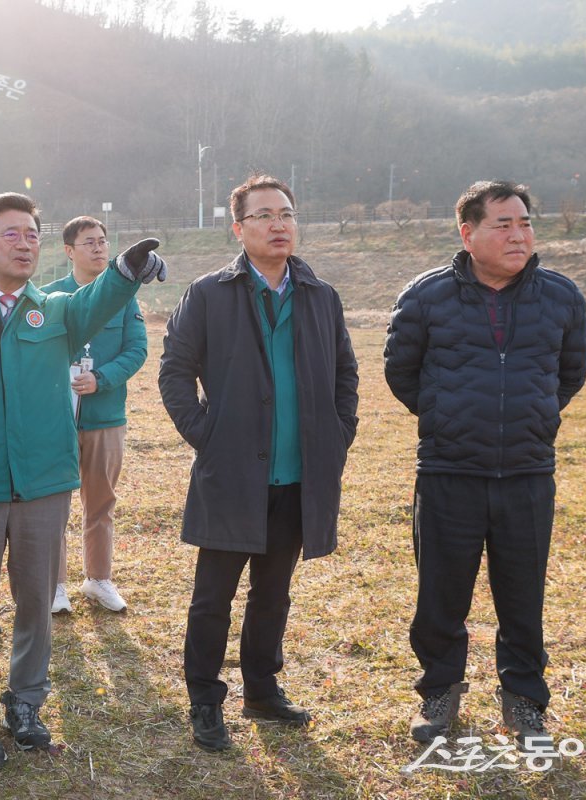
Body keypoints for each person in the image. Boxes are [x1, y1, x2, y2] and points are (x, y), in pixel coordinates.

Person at [0, 192, 165, 770]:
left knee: (36, 601)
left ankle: (25, 702)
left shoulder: (57, 311)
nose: (25, 243)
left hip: (43, 483)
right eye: (12, 233)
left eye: (33, 234)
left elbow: (99, 298)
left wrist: (125, 270)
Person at [384, 180, 586, 749]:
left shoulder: (561, 297)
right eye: (503, 224)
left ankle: (524, 702)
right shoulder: (426, 297)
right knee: (441, 595)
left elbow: (570, 373)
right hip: (449, 472)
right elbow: (401, 372)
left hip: (527, 473)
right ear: (468, 233)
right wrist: (448, 417)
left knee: (523, 597)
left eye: (525, 223)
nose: (518, 235)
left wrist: (530, 416)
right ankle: (439, 691)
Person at [158, 175, 358, 753]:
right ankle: (204, 700)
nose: (279, 224)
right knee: (212, 598)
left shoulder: (320, 295)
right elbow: (175, 370)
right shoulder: (209, 293)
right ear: (238, 228)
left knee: (273, 593)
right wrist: (206, 434)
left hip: (299, 475)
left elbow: (345, 373)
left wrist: (338, 434)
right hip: (233, 473)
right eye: (264, 215)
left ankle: (262, 691)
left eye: (287, 213)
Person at [41, 216, 146, 614]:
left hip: (105, 417)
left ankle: (98, 578)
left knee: (101, 502)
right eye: (89, 242)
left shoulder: (125, 296)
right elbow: (35, 352)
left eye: (103, 241)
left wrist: (101, 379)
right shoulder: (49, 297)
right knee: (52, 504)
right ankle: (55, 585)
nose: (99, 248)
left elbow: (137, 349)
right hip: (57, 418)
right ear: (69, 251)